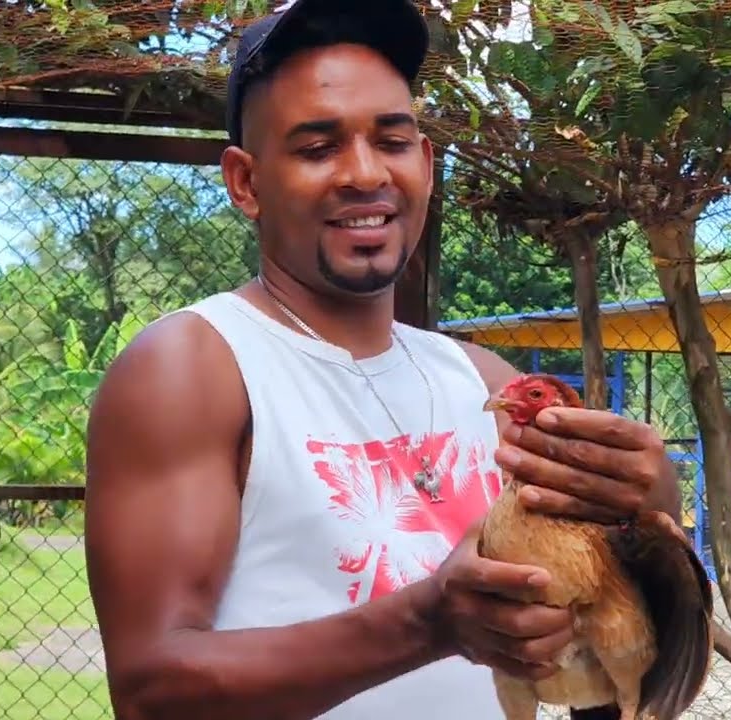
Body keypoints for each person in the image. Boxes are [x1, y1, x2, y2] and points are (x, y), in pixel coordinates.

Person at [82, 1, 683, 718]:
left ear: (425, 165)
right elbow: (152, 691)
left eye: (392, 142)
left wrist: (649, 505)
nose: (365, 174)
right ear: (245, 182)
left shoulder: (484, 381)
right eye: (316, 148)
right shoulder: (194, 368)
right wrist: (427, 622)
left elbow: (607, 619)